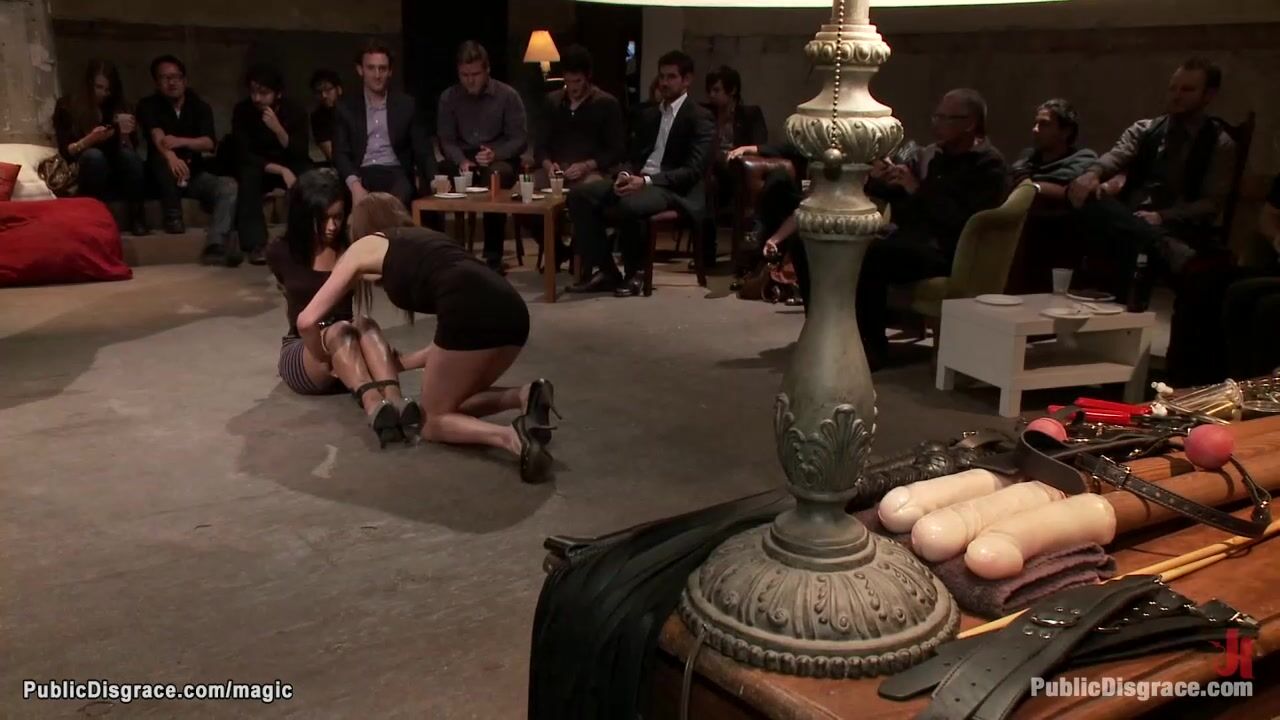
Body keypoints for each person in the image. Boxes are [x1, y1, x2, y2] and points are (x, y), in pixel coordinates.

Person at [296, 194, 558, 483]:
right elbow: (450, 337)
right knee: (451, 403)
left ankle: (512, 438)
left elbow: (306, 321)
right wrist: (404, 362)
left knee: (431, 422)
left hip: (470, 313)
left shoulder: (364, 246)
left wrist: (324, 356)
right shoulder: (428, 240)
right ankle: (526, 394)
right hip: (513, 311)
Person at [266, 171, 420, 446]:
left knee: (365, 323)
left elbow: (382, 275)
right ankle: (374, 406)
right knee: (338, 330)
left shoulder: (350, 246)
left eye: (337, 217)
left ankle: (396, 402)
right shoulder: (281, 251)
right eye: (322, 218)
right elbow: (297, 309)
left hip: (350, 352)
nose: (332, 226)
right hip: (306, 350)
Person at [859, 88, 1009, 368]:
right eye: (936, 117)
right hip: (917, 242)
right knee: (842, 245)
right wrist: (880, 181)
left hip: (949, 251)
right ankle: (838, 335)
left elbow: (961, 220)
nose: (936, 124)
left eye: (945, 118)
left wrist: (917, 188)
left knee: (873, 256)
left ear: (970, 123)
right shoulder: (937, 155)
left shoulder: (988, 165)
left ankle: (872, 348)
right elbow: (913, 206)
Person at [1067, 57, 1237, 296]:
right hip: (1131, 217)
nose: (1176, 96)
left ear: (1208, 95)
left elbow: (1212, 203)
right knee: (1084, 194)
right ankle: (1162, 246)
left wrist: (1161, 216)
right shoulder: (1144, 129)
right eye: (1173, 88)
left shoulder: (1220, 143)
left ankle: (1153, 247)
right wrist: (1093, 173)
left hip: (1178, 224)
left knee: (1126, 236)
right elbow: (1116, 155)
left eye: (1187, 90)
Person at [566, 50, 715, 298]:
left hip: (673, 188)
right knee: (578, 196)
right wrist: (625, 173)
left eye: (671, 77)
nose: (664, 82)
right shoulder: (650, 115)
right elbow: (632, 157)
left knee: (630, 203)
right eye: (662, 77)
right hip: (640, 179)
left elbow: (692, 171)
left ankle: (636, 273)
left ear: (687, 80)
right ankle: (607, 271)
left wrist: (645, 181)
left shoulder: (700, 117)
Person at [136, 54, 239, 265]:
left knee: (228, 186)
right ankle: (173, 217)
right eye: (165, 78)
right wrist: (171, 156)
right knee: (161, 163)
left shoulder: (199, 106)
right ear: (156, 82)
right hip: (161, 176)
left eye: (176, 77)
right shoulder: (148, 105)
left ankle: (216, 244)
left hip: (194, 174)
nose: (172, 82)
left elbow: (208, 142)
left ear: (185, 80)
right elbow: (156, 134)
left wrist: (179, 141)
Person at [437, 41, 529, 274]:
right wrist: (461, 160)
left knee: (496, 176)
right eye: (464, 75)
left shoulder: (507, 96)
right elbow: (446, 139)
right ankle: (443, 253)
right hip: (464, 156)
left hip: (498, 157)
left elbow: (519, 139)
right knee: (438, 174)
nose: (470, 80)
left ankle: (493, 256)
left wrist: (496, 153)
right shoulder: (449, 97)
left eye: (475, 74)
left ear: (487, 70)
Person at [530, 44, 625, 269]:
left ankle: (579, 253)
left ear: (588, 77)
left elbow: (617, 150)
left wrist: (587, 165)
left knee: (586, 194)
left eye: (578, 81)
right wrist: (548, 165)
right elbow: (540, 146)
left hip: (591, 171)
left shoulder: (606, 104)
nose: (573, 88)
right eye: (568, 82)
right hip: (556, 171)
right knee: (521, 194)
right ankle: (557, 250)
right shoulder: (552, 102)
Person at [333, 41, 433, 211]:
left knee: (395, 203)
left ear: (390, 71)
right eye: (371, 68)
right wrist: (355, 185)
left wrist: (435, 179)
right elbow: (340, 153)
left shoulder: (407, 105)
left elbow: (424, 150)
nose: (377, 75)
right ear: (360, 70)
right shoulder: (345, 107)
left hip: (395, 171)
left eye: (382, 68)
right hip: (361, 171)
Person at [52, 59, 148, 236]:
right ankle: (93, 216)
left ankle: (138, 218)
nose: (104, 93)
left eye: (108, 89)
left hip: (114, 167)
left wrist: (125, 134)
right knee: (94, 156)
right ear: (89, 85)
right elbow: (66, 151)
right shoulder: (67, 105)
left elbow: (131, 149)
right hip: (83, 168)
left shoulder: (117, 106)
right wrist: (90, 139)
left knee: (130, 158)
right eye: (99, 87)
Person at [230, 63, 311, 265]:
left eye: (264, 93)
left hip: (290, 161)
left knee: (309, 177)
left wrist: (278, 129)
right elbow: (244, 153)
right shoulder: (242, 111)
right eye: (253, 92)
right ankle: (256, 244)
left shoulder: (295, 110)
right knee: (247, 176)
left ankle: (307, 240)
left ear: (278, 93)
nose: (257, 98)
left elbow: (300, 151)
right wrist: (281, 170)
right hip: (261, 166)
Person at [703, 65, 768, 269]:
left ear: (732, 91)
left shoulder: (749, 114)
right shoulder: (706, 114)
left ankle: (742, 252)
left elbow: (760, 144)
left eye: (716, 90)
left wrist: (737, 152)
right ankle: (706, 252)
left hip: (738, 170)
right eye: (709, 91)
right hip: (711, 171)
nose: (711, 95)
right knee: (707, 185)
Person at [309, 69, 343, 162]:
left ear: (339, 89)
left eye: (328, 90)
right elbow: (331, 154)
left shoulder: (354, 109)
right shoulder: (318, 117)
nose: (323, 95)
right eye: (319, 92)